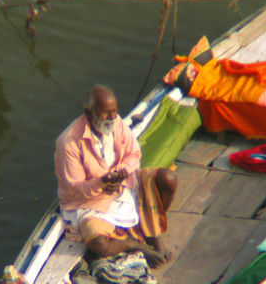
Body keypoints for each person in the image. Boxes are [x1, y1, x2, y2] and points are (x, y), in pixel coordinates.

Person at [54, 85, 177, 267]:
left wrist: (121, 173)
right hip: (89, 203)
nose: (112, 117)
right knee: (100, 245)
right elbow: (75, 190)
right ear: (89, 112)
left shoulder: (117, 122)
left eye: (115, 111)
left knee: (168, 179)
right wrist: (102, 183)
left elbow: (134, 154)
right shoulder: (69, 142)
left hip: (124, 185)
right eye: (105, 113)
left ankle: (152, 234)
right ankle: (133, 244)